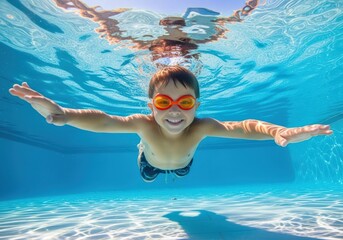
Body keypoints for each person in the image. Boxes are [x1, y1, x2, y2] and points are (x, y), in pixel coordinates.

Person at [9, 66, 333, 182]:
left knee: (180, 170)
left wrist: (278, 132)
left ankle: (177, 169)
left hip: (184, 164)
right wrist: (64, 114)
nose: (174, 111)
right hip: (147, 163)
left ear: (196, 106)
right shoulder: (144, 124)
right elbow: (104, 121)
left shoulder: (201, 126)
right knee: (150, 176)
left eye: (185, 103)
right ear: (151, 106)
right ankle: (145, 158)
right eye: (164, 102)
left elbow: (243, 126)